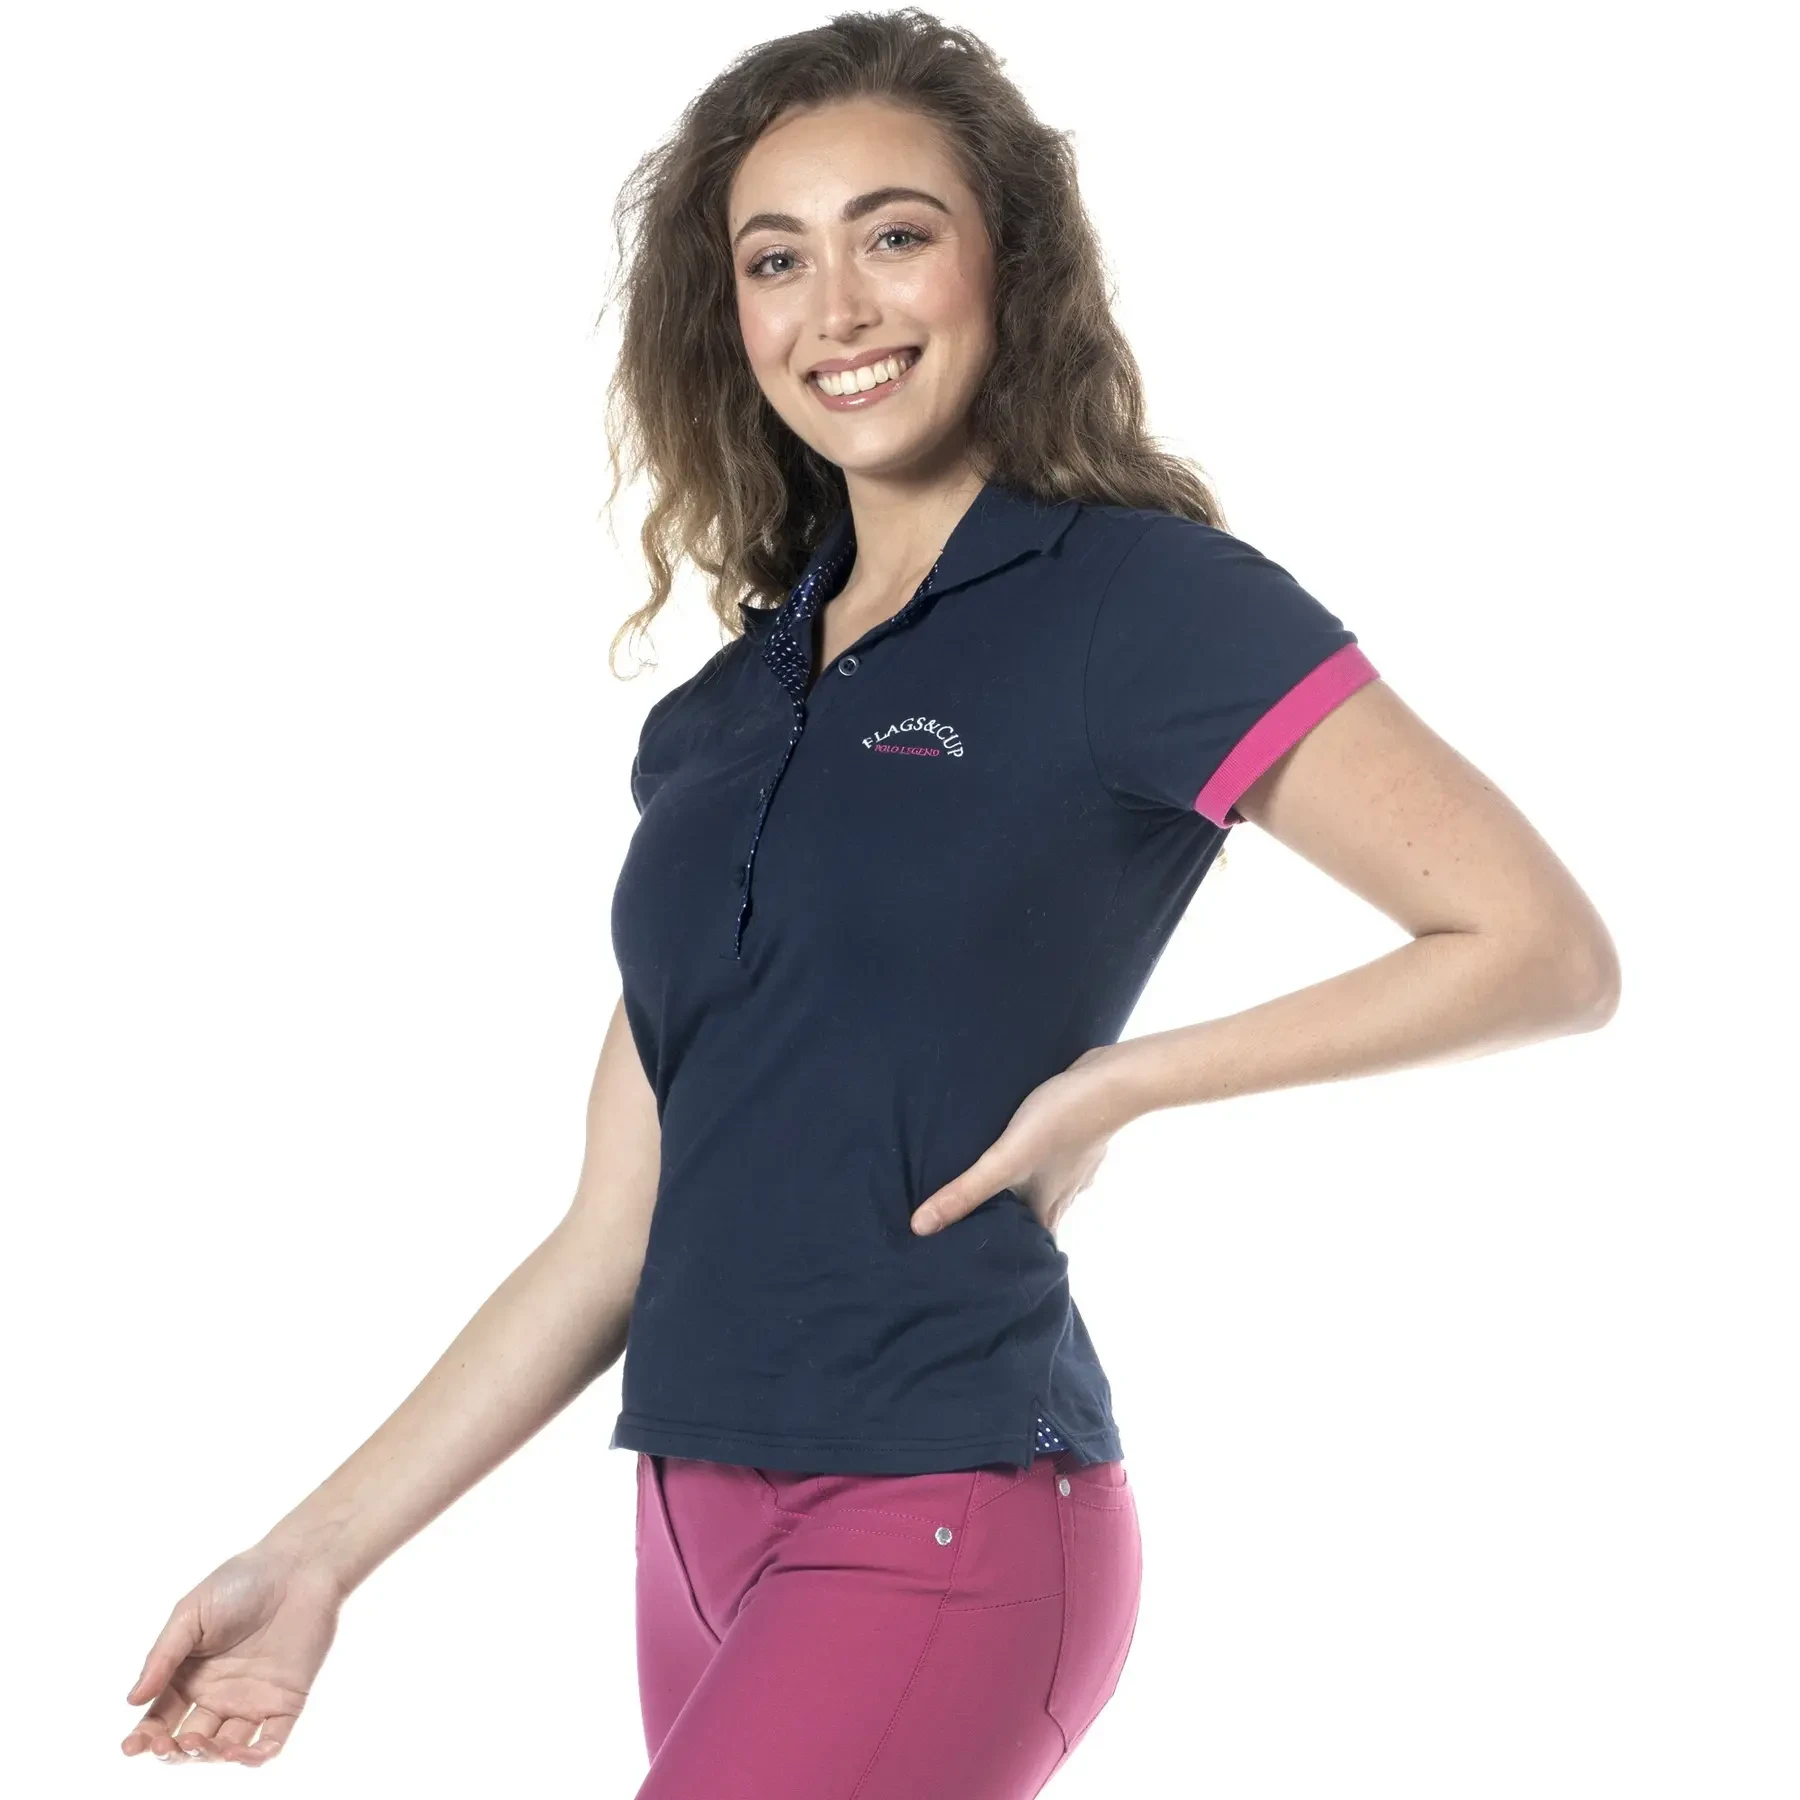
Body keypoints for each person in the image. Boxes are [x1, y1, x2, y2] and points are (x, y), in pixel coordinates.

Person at [118, 9, 1621, 1791]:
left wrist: (1122, 1083)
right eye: (778, 259)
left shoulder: (1141, 606)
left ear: (1009, 264)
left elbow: (1540, 949)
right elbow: (614, 1233)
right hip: (686, 1527)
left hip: (941, 1512)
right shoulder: (722, 715)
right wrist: (313, 1557)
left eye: (895, 235)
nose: (837, 309)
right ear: (730, 315)